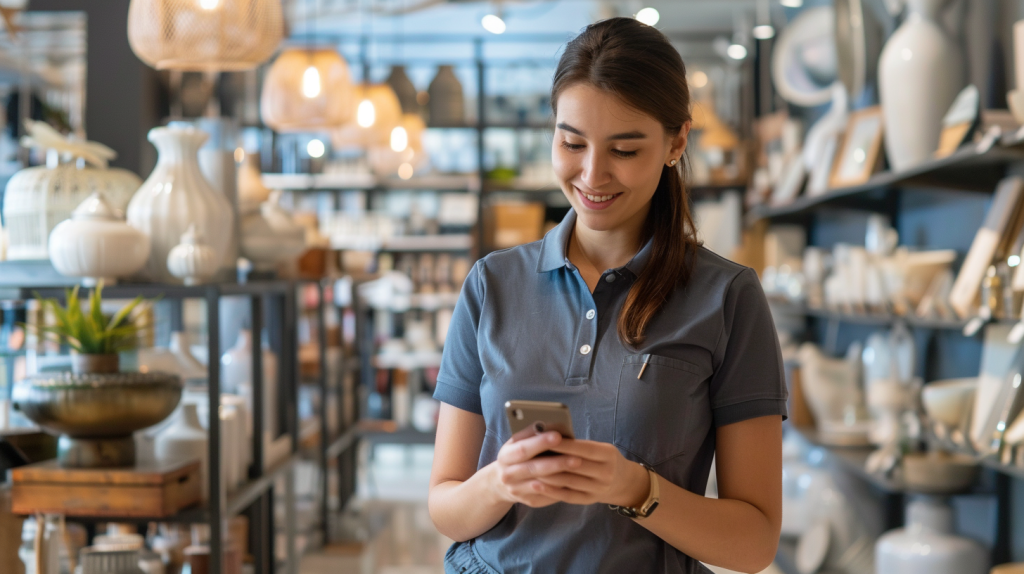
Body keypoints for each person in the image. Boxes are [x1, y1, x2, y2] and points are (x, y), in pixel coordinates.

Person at [428, 17, 786, 574]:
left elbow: (755, 544)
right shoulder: (491, 284)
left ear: (676, 142)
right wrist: (501, 480)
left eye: (624, 149)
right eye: (572, 142)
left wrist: (637, 488)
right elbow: (447, 507)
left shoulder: (728, 297)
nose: (592, 174)